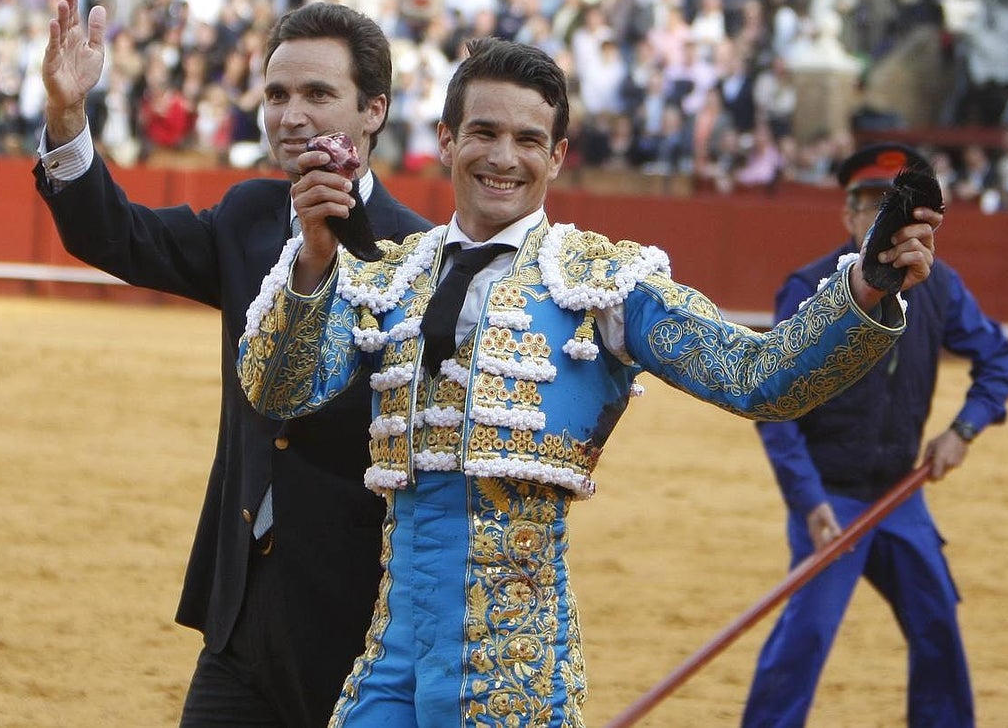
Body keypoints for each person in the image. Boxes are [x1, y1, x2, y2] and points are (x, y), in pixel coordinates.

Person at [235, 38, 942, 727]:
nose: (503, 157)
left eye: (528, 139)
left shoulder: (600, 283)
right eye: (483, 132)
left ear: (558, 155)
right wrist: (315, 255)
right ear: (447, 141)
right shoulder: (391, 277)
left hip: (516, 670)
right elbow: (276, 392)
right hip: (391, 660)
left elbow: (756, 377)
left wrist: (865, 287)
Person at [33, 0, 431, 726]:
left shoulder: (421, 255)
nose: (291, 114)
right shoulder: (249, 216)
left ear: (373, 110)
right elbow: (116, 236)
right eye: (277, 94)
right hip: (241, 615)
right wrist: (66, 116)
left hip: (362, 628)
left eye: (319, 93)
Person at [740, 142, 1008, 728]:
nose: (884, 219)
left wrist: (964, 430)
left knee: (937, 624)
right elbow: (774, 405)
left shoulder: (941, 286)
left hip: (899, 495)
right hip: (830, 494)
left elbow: (997, 358)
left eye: (896, 208)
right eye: (872, 206)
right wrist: (808, 500)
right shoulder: (811, 284)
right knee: (807, 635)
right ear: (849, 216)